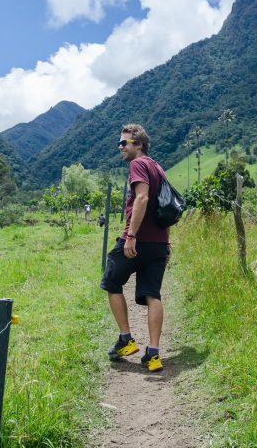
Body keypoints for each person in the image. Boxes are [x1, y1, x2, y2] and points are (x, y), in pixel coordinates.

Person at [100, 124, 169, 372]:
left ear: (138, 144)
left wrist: (131, 235)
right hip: (160, 243)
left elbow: (142, 198)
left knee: (111, 281)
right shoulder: (157, 167)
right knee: (153, 295)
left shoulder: (138, 164)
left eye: (124, 143)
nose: (120, 147)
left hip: (138, 240)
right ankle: (153, 354)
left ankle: (126, 339)